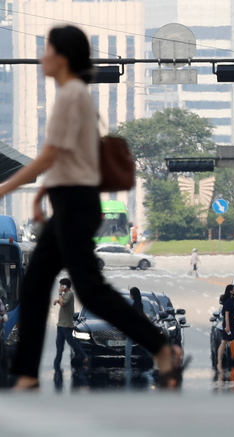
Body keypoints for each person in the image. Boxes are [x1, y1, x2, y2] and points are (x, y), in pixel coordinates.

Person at [0, 26, 183, 390]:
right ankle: (26, 375)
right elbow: (67, 158)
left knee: (88, 289)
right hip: (72, 201)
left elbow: (51, 154)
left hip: (75, 204)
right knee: (37, 285)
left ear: (63, 58)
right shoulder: (73, 94)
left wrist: (6, 186)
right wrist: (40, 196)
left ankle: (162, 349)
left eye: (47, 50)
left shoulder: (70, 94)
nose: (42, 58)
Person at [52, 278, 88, 374]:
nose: (60, 287)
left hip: (67, 325)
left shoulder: (70, 294)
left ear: (65, 286)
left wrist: (59, 294)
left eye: (61, 285)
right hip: (61, 324)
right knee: (59, 344)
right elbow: (62, 302)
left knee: (71, 342)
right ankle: (56, 363)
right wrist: (57, 300)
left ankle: (84, 356)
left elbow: (63, 303)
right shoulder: (65, 295)